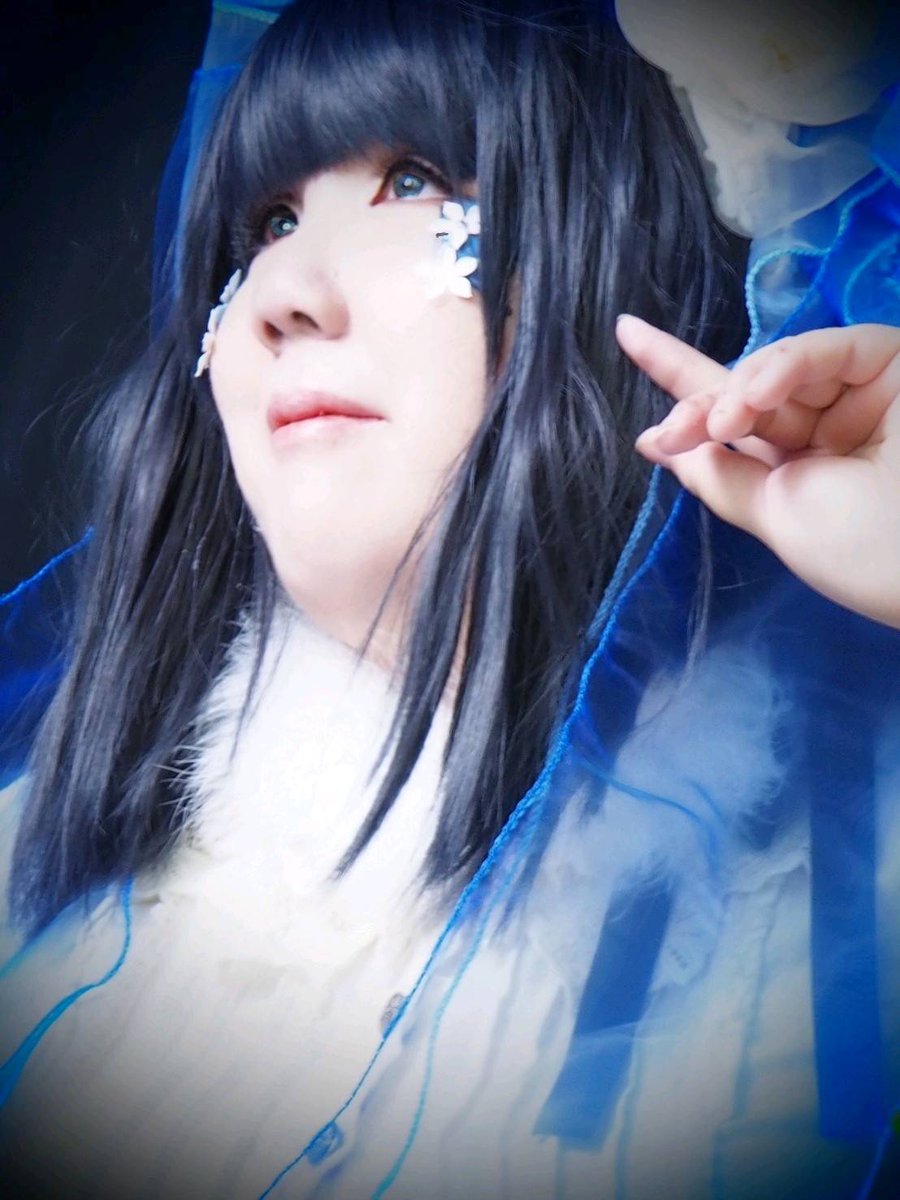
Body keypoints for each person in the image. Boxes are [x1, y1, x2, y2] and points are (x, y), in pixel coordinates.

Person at [0, 1, 898, 1197]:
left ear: (623, 254)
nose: (280, 293)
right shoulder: (22, 878)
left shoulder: (843, 944)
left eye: (412, 182)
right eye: (266, 223)